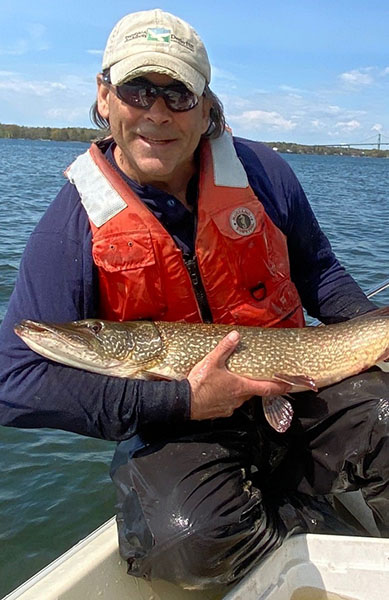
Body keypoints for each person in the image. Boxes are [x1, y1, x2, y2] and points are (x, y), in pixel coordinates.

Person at [0, 8, 388, 591]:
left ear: (207, 107)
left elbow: (321, 274)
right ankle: (300, 524)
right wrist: (181, 402)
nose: (156, 112)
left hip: (298, 382)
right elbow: (14, 381)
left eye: (178, 93)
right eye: (137, 89)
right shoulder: (73, 226)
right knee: (187, 543)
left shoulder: (264, 173)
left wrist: (372, 329)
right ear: (104, 97)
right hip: (176, 426)